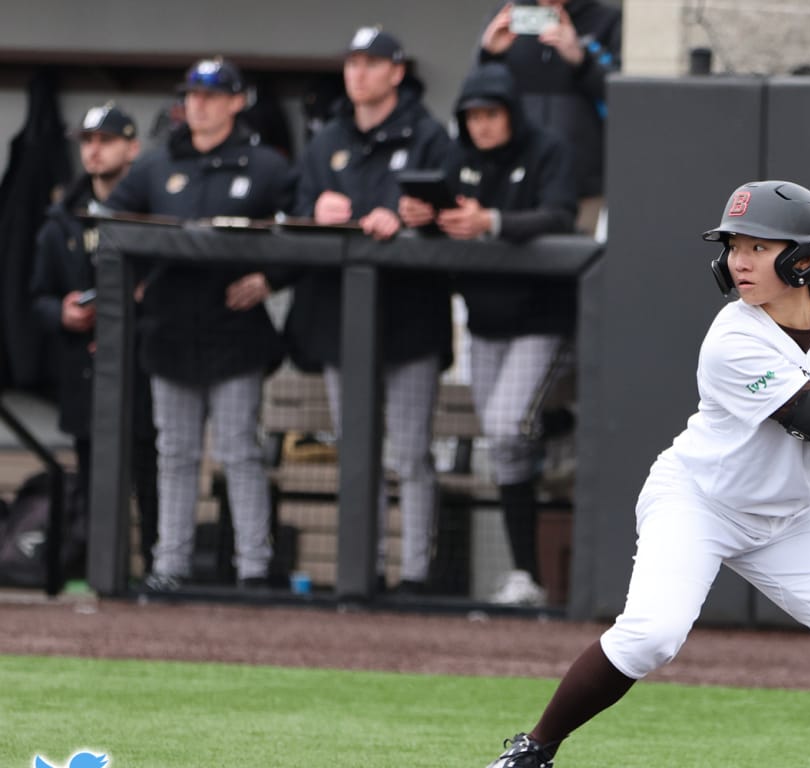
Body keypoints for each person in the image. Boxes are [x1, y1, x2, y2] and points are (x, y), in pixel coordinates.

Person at [481, 180, 810, 767]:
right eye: (733, 247)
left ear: (803, 258)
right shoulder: (732, 339)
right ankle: (534, 750)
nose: (737, 262)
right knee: (652, 636)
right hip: (700, 503)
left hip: (788, 518)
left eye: (757, 247)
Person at [103, 58, 296, 591]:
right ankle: (171, 564)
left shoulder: (265, 166)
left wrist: (270, 276)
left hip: (235, 330)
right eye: (192, 96)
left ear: (238, 102)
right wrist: (132, 279)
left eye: (213, 96)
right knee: (175, 453)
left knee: (239, 448)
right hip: (169, 330)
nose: (200, 105)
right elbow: (110, 223)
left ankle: (254, 567)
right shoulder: (156, 165)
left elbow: (303, 233)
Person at [398, 62, 578, 606]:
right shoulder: (458, 159)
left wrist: (493, 223)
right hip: (484, 321)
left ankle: (560, 426)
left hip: (541, 318)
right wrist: (422, 217)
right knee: (505, 449)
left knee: (503, 426)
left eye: (490, 114)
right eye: (472, 116)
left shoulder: (547, 149)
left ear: (510, 114)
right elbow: (444, 218)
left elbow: (561, 217)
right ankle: (525, 575)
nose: (481, 126)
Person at [289, 26, 455, 594]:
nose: (358, 73)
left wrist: (404, 216)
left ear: (396, 71)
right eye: (352, 62)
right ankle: (361, 572)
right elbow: (294, 210)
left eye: (371, 63)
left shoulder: (429, 134)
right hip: (342, 319)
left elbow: (450, 208)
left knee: (409, 453)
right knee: (355, 450)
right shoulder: (324, 138)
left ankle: (415, 574)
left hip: (410, 315)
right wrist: (316, 206)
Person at [29, 103, 160, 574]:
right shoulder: (62, 215)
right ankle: (97, 569)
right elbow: (36, 299)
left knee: (149, 471)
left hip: (141, 363)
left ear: (132, 148)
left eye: (105, 140)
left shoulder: (153, 209)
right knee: (92, 473)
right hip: (84, 370)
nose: (94, 150)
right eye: (87, 141)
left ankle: (156, 570)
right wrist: (61, 311)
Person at [477, 0, 620, 233]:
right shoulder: (509, 15)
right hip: (511, 181)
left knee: (577, 262)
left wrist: (581, 61)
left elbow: (623, 98)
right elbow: (475, 97)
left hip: (582, 184)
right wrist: (489, 56)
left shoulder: (606, 20)